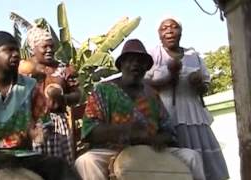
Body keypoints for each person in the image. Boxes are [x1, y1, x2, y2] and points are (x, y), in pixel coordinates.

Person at [0, 31, 80, 180]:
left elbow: (44, 123)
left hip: (20, 154)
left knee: (59, 166)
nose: (16, 54)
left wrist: (38, 133)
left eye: (16, 49)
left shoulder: (30, 86)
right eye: (9, 50)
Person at [74, 39, 205, 180]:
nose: (136, 64)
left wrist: (158, 139)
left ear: (146, 68)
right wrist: (124, 130)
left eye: (141, 61)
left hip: (151, 151)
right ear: (121, 65)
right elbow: (90, 131)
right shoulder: (103, 90)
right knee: (86, 162)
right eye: (130, 60)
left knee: (192, 157)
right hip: (112, 151)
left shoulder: (152, 94)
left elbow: (169, 133)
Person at [145, 16, 229, 180]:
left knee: (205, 163)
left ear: (181, 31)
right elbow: (145, 85)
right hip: (167, 114)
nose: (169, 30)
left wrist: (198, 84)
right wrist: (169, 77)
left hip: (194, 114)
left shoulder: (194, 55)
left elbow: (205, 86)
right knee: (178, 161)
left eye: (174, 26)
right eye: (164, 28)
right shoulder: (153, 55)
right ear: (159, 34)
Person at [21, 26, 81, 164]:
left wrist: (62, 98)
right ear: (33, 48)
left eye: (51, 46)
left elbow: (77, 95)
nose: (49, 50)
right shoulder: (23, 69)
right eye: (44, 46)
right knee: (36, 167)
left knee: (61, 166)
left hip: (58, 124)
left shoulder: (62, 68)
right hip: (31, 124)